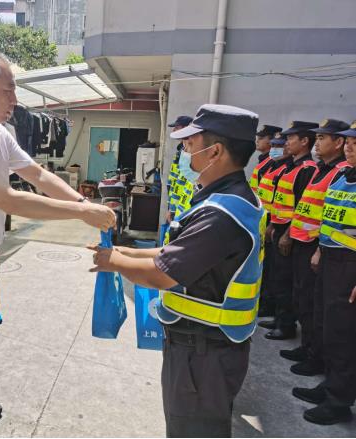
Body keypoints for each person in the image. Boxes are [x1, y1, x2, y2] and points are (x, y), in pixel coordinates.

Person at [0, 51, 116, 438]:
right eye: (8, 91)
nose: (14, 100)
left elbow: (37, 174)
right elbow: (8, 199)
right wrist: (81, 214)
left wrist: (83, 202)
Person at [90, 104, 263, 437]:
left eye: (190, 144)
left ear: (215, 151)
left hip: (203, 355)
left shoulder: (220, 214)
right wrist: (125, 251)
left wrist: (111, 262)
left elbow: (162, 274)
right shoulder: (232, 198)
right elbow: (178, 253)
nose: (185, 152)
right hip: (206, 348)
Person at [293, 121, 356, 425]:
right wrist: (320, 250)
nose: (350, 147)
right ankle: (331, 384)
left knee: (343, 334)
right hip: (330, 258)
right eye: (349, 142)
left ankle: (339, 401)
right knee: (326, 325)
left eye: (355, 143)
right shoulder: (343, 176)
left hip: (351, 266)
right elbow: (329, 221)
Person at [282, 119, 350, 376]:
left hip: (327, 250)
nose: (317, 142)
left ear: (337, 142)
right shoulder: (325, 170)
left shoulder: (340, 171)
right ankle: (309, 348)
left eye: (322, 138)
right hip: (311, 243)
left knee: (319, 309)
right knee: (306, 300)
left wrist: (319, 248)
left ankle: (317, 358)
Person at [265, 121, 319, 340]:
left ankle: (286, 325)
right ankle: (280, 318)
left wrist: (287, 234)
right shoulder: (291, 167)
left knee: (289, 282)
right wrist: (273, 226)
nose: (286, 143)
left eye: (290, 138)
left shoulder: (307, 170)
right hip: (280, 229)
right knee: (279, 278)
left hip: (292, 234)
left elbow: (302, 207)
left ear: (304, 141)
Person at [252, 125, 282, 318]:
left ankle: (269, 306)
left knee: (271, 269)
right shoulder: (264, 163)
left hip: (273, 223)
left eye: (262, 137)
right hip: (263, 219)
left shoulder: (273, 164)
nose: (258, 140)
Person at [165, 115, 194, 232]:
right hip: (177, 206)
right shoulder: (180, 151)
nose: (174, 130)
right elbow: (174, 182)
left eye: (177, 127)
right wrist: (171, 208)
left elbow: (183, 183)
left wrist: (173, 209)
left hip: (183, 208)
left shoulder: (190, 154)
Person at [250, 124, 282, 193]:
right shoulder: (264, 159)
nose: (257, 141)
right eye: (257, 138)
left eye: (261, 138)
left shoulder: (273, 161)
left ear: (272, 141)